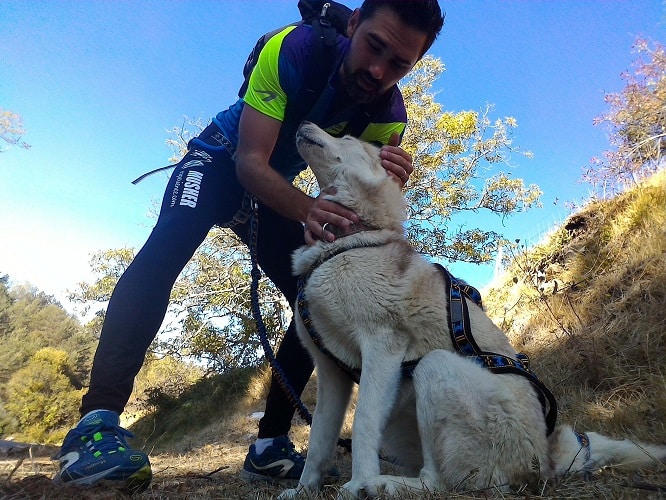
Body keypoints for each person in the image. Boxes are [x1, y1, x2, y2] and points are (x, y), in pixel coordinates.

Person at [55, 0, 444, 491]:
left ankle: (270, 444)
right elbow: (249, 163)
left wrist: (384, 187)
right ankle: (96, 425)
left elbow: (347, 187)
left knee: (313, 300)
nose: (377, 69)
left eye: (399, 65)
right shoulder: (294, 49)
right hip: (221, 161)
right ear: (352, 24)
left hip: (277, 192)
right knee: (164, 252)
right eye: (374, 46)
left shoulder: (389, 114)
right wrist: (307, 211)